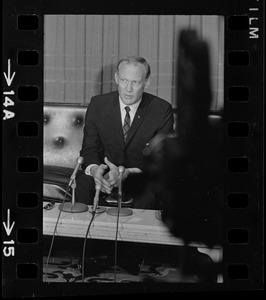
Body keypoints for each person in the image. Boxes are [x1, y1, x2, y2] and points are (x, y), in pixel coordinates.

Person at [76, 56, 174, 209]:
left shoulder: (161, 110)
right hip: (106, 174)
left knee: (151, 191)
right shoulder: (98, 105)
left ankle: (136, 233)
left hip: (140, 176)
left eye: (135, 82)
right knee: (83, 184)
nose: (128, 89)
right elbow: (89, 149)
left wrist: (127, 172)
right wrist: (96, 170)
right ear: (116, 78)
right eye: (123, 80)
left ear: (147, 82)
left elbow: (161, 160)